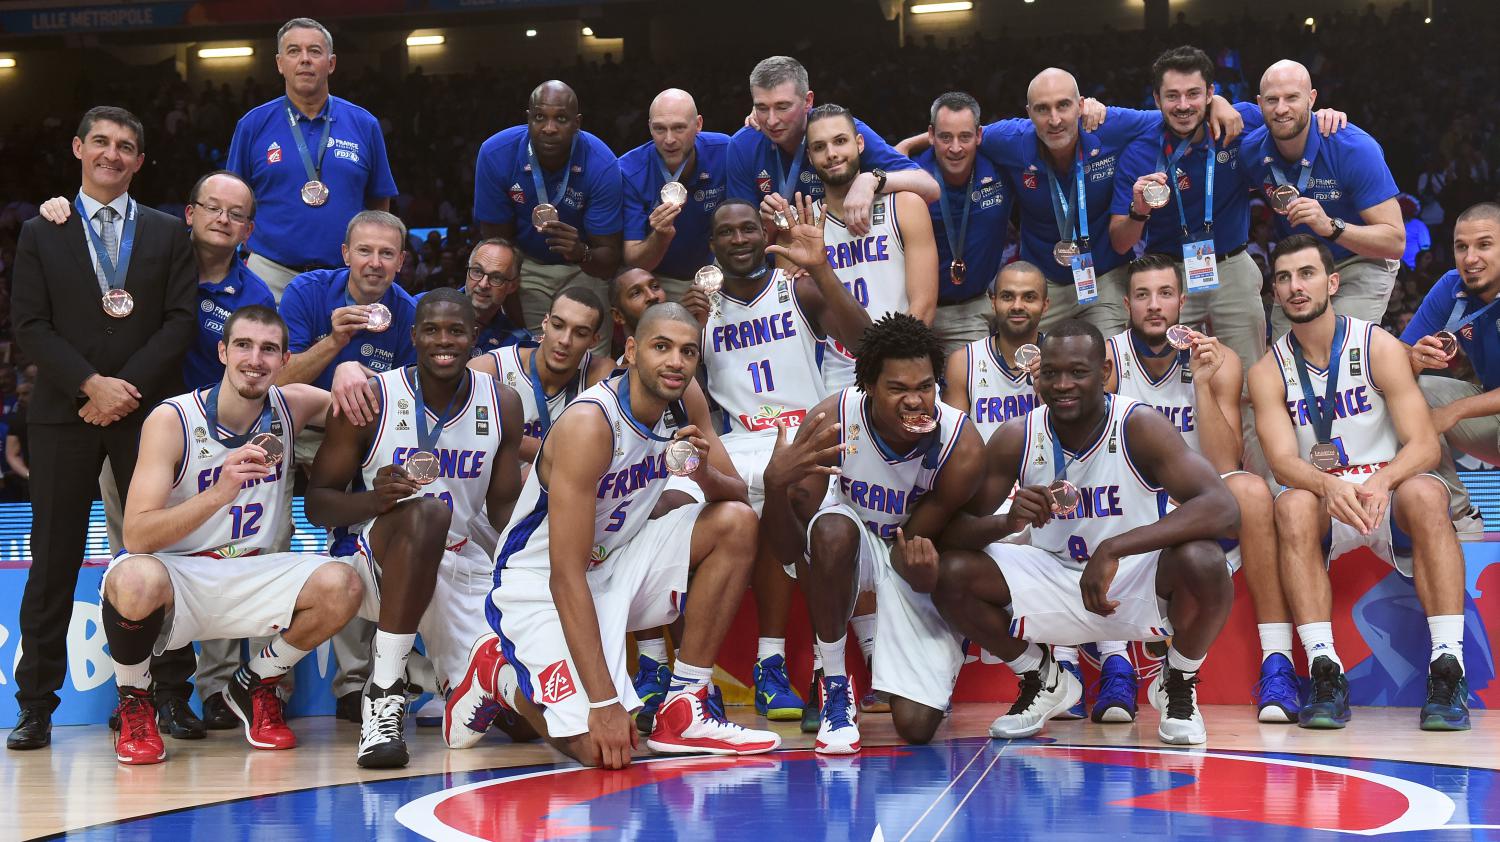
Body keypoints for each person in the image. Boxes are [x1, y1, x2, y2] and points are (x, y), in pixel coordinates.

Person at [444, 303, 780, 767]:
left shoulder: (685, 399)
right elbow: (565, 574)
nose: (675, 362)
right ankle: (495, 673)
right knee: (601, 751)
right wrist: (604, 705)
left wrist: (702, 473)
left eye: (687, 352)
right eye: (661, 347)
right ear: (631, 351)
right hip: (541, 582)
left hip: (618, 562)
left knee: (736, 523)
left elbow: (737, 496)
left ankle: (686, 704)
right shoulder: (590, 424)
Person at [36, 169, 278, 730]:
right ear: (187, 214)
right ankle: (136, 695)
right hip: (136, 432)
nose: (222, 219)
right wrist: (64, 208)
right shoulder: (142, 252)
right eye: (211, 207)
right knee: (137, 568)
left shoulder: (256, 294)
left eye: (236, 213)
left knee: (204, 567)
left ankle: (184, 696)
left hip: (210, 450)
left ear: (249, 229)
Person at [936, 319, 1237, 746]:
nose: (1062, 385)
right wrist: (1007, 522)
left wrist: (1115, 548)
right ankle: (1042, 678)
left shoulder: (1139, 425)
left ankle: (1178, 679)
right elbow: (953, 532)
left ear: (1105, 372)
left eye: (1077, 372)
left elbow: (1223, 508)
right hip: (1053, 574)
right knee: (949, 572)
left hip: (1131, 577)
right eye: (1051, 373)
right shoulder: (1016, 436)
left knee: (1206, 560)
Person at [9, 106, 197, 752]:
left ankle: (169, 695)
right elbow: (29, 325)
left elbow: (179, 323)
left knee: (158, 555)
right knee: (53, 563)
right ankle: (35, 705)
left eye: (125, 147)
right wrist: (92, 385)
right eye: (101, 143)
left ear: (141, 161)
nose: (112, 154)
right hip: (66, 412)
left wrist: (123, 392)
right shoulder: (43, 230)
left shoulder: (169, 232)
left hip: (146, 417)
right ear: (77, 148)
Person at [102, 306, 357, 764]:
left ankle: (256, 682)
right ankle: (135, 698)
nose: (254, 359)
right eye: (243, 345)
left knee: (343, 583)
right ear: (222, 351)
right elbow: (137, 533)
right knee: (132, 578)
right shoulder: (173, 419)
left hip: (255, 571)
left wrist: (350, 368)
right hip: (182, 578)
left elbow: (362, 398)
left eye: (268, 350)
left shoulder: (292, 404)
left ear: (284, 361)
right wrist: (219, 492)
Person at [1250, 234, 1469, 732]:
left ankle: (1447, 666)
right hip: (1326, 498)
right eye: (1283, 278)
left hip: (1386, 492)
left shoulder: (1377, 344)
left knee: (1427, 490)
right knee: (1291, 505)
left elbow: (1423, 445)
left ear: (1332, 282)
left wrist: (1385, 480)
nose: (1294, 287)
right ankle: (1325, 670)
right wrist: (1329, 487)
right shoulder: (1269, 371)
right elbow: (1283, 462)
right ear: (1276, 293)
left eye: (1306, 274)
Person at [666, 197, 872, 727]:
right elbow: (675, 392)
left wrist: (823, 271)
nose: (738, 239)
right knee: (670, 508)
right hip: (735, 444)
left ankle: (775, 661)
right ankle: (684, 677)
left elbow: (868, 345)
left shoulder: (798, 290)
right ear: (711, 247)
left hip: (802, 438)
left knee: (794, 502)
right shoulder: (698, 310)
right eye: (726, 233)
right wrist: (687, 332)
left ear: (764, 237)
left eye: (748, 230)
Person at [305, 288, 525, 767]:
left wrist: (525, 573)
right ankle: (385, 691)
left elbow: (505, 506)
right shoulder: (372, 397)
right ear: (413, 336)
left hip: (461, 561)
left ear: (475, 338)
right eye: (431, 330)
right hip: (379, 559)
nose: (443, 341)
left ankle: (449, 683)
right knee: (428, 512)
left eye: (455, 330)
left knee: (530, 719)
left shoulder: (502, 403)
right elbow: (317, 504)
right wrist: (372, 499)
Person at [762, 313, 986, 752]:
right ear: (868, 385)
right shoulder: (832, 421)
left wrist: (927, 575)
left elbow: (911, 551)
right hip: (853, 543)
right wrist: (774, 487)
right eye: (898, 389)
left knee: (917, 727)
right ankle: (834, 688)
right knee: (829, 530)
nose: (915, 402)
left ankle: (925, 669)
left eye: (924, 387)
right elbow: (791, 551)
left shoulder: (961, 445)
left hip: (908, 556)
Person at [1106, 254, 1295, 723]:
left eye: (1165, 294)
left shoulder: (1219, 358)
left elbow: (1222, 463)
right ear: (1127, 304)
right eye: (1144, 296)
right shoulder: (1106, 360)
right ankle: (1115, 664)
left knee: (1252, 490)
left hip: (1196, 500)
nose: (1155, 306)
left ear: (1182, 301)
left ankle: (1278, 661)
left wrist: (1204, 387)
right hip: (1128, 497)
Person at [277, 209, 417, 719]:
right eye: (365, 251)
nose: (374, 263)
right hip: (292, 424)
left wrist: (359, 380)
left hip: (359, 437)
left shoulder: (408, 313)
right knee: (267, 541)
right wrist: (336, 346)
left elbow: (406, 401)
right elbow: (278, 377)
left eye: (386, 253)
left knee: (361, 536)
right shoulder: (309, 293)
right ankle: (269, 685)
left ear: (401, 261)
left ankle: (355, 686)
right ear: (345, 254)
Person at [1108, 46, 1275, 372]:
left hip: (1233, 268)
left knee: (1248, 381)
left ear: (1211, 94)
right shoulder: (1139, 152)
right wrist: (1139, 210)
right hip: (1169, 277)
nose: (1183, 105)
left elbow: (1293, 117)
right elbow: (1120, 242)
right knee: (1171, 382)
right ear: (1156, 99)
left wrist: (1328, 115)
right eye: (1172, 96)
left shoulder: (1237, 125)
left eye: (1193, 94)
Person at [227, 17, 397, 298]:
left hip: (345, 277)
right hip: (269, 273)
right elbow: (233, 202)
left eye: (314, 51)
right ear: (280, 63)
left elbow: (379, 204)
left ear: (330, 64)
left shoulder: (363, 124)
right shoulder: (252, 125)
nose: (304, 59)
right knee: (267, 343)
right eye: (294, 51)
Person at [1242, 60, 1405, 334]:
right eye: (1272, 100)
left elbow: (1395, 242)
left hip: (1359, 259)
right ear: (1260, 104)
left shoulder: (1354, 147)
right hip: (1298, 266)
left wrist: (1331, 226)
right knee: (1287, 361)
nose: (1281, 108)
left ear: (1312, 98)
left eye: (1292, 97)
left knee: (1338, 349)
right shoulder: (1251, 151)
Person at [473, 80, 622, 352]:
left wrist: (580, 252)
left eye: (561, 119)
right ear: (528, 118)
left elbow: (609, 260)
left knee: (588, 358)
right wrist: (513, 306)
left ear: (577, 123)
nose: (549, 128)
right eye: (540, 117)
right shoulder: (496, 153)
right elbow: (499, 249)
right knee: (532, 355)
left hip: (584, 267)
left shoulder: (601, 162)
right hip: (525, 264)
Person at [727, 56, 938, 238]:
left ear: (808, 101)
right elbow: (744, 239)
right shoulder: (743, 145)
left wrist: (872, 180)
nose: (771, 121)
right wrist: (768, 226)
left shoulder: (841, 130)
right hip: (782, 266)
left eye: (783, 107)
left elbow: (929, 188)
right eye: (762, 108)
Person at [805, 104, 938, 391]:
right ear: (810, 156)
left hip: (903, 365)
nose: (831, 154)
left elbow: (923, 308)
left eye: (840, 141)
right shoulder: (804, 224)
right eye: (819, 147)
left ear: (860, 143)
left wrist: (888, 363)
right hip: (833, 375)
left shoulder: (904, 205)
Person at [1402, 203, 1499, 536]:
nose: (1470, 258)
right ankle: (1461, 516)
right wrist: (1413, 359)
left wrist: (1455, 411)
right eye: (1462, 247)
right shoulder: (1451, 287)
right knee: (1412, 392)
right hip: (1492, 415)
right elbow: (1400, 356)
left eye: (1484, 245)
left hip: (1482, 409)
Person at [915, 92, 1016, 353]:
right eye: (945, 137)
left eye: (965, 136)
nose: (956, 148)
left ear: (980, 136)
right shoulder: (910, 176)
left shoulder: (1001, 171)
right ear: (930, 135)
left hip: (969, 313)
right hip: (913, 310)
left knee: (970, 390)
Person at [470, 285, 614, 463]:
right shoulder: (489, 369)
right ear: (545, 323)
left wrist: (507, 438)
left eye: (580, 333)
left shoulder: (600, 375)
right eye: (558, 325)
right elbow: (477, 438)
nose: (565, 340)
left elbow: (599, 455)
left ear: (594, 341)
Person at [620, 89, 731, 301]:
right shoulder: (628, 171)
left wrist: (755, 120)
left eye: (679, 128)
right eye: (659, 129)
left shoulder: (725, 150)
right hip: (660, 281)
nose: (669, 140)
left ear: (698, 124)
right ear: (649, 127)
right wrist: (661, 236)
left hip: (719, 270)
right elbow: (634, 262)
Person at [942, 261, 1047, 441]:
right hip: (984, 467)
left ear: (1045, 305)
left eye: (1029, 297)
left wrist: (1050, 393)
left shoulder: (1061, 358)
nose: (1017, 306)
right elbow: (955, 443)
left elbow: (1077, 439)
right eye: (1007, 297)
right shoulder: (964, 362)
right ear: (993, 302)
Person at [459, 238, 531, 357]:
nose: (483, 284)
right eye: (477, 271)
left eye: (496, 278)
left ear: (512, 286)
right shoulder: (421, 308)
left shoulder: (517, 344)